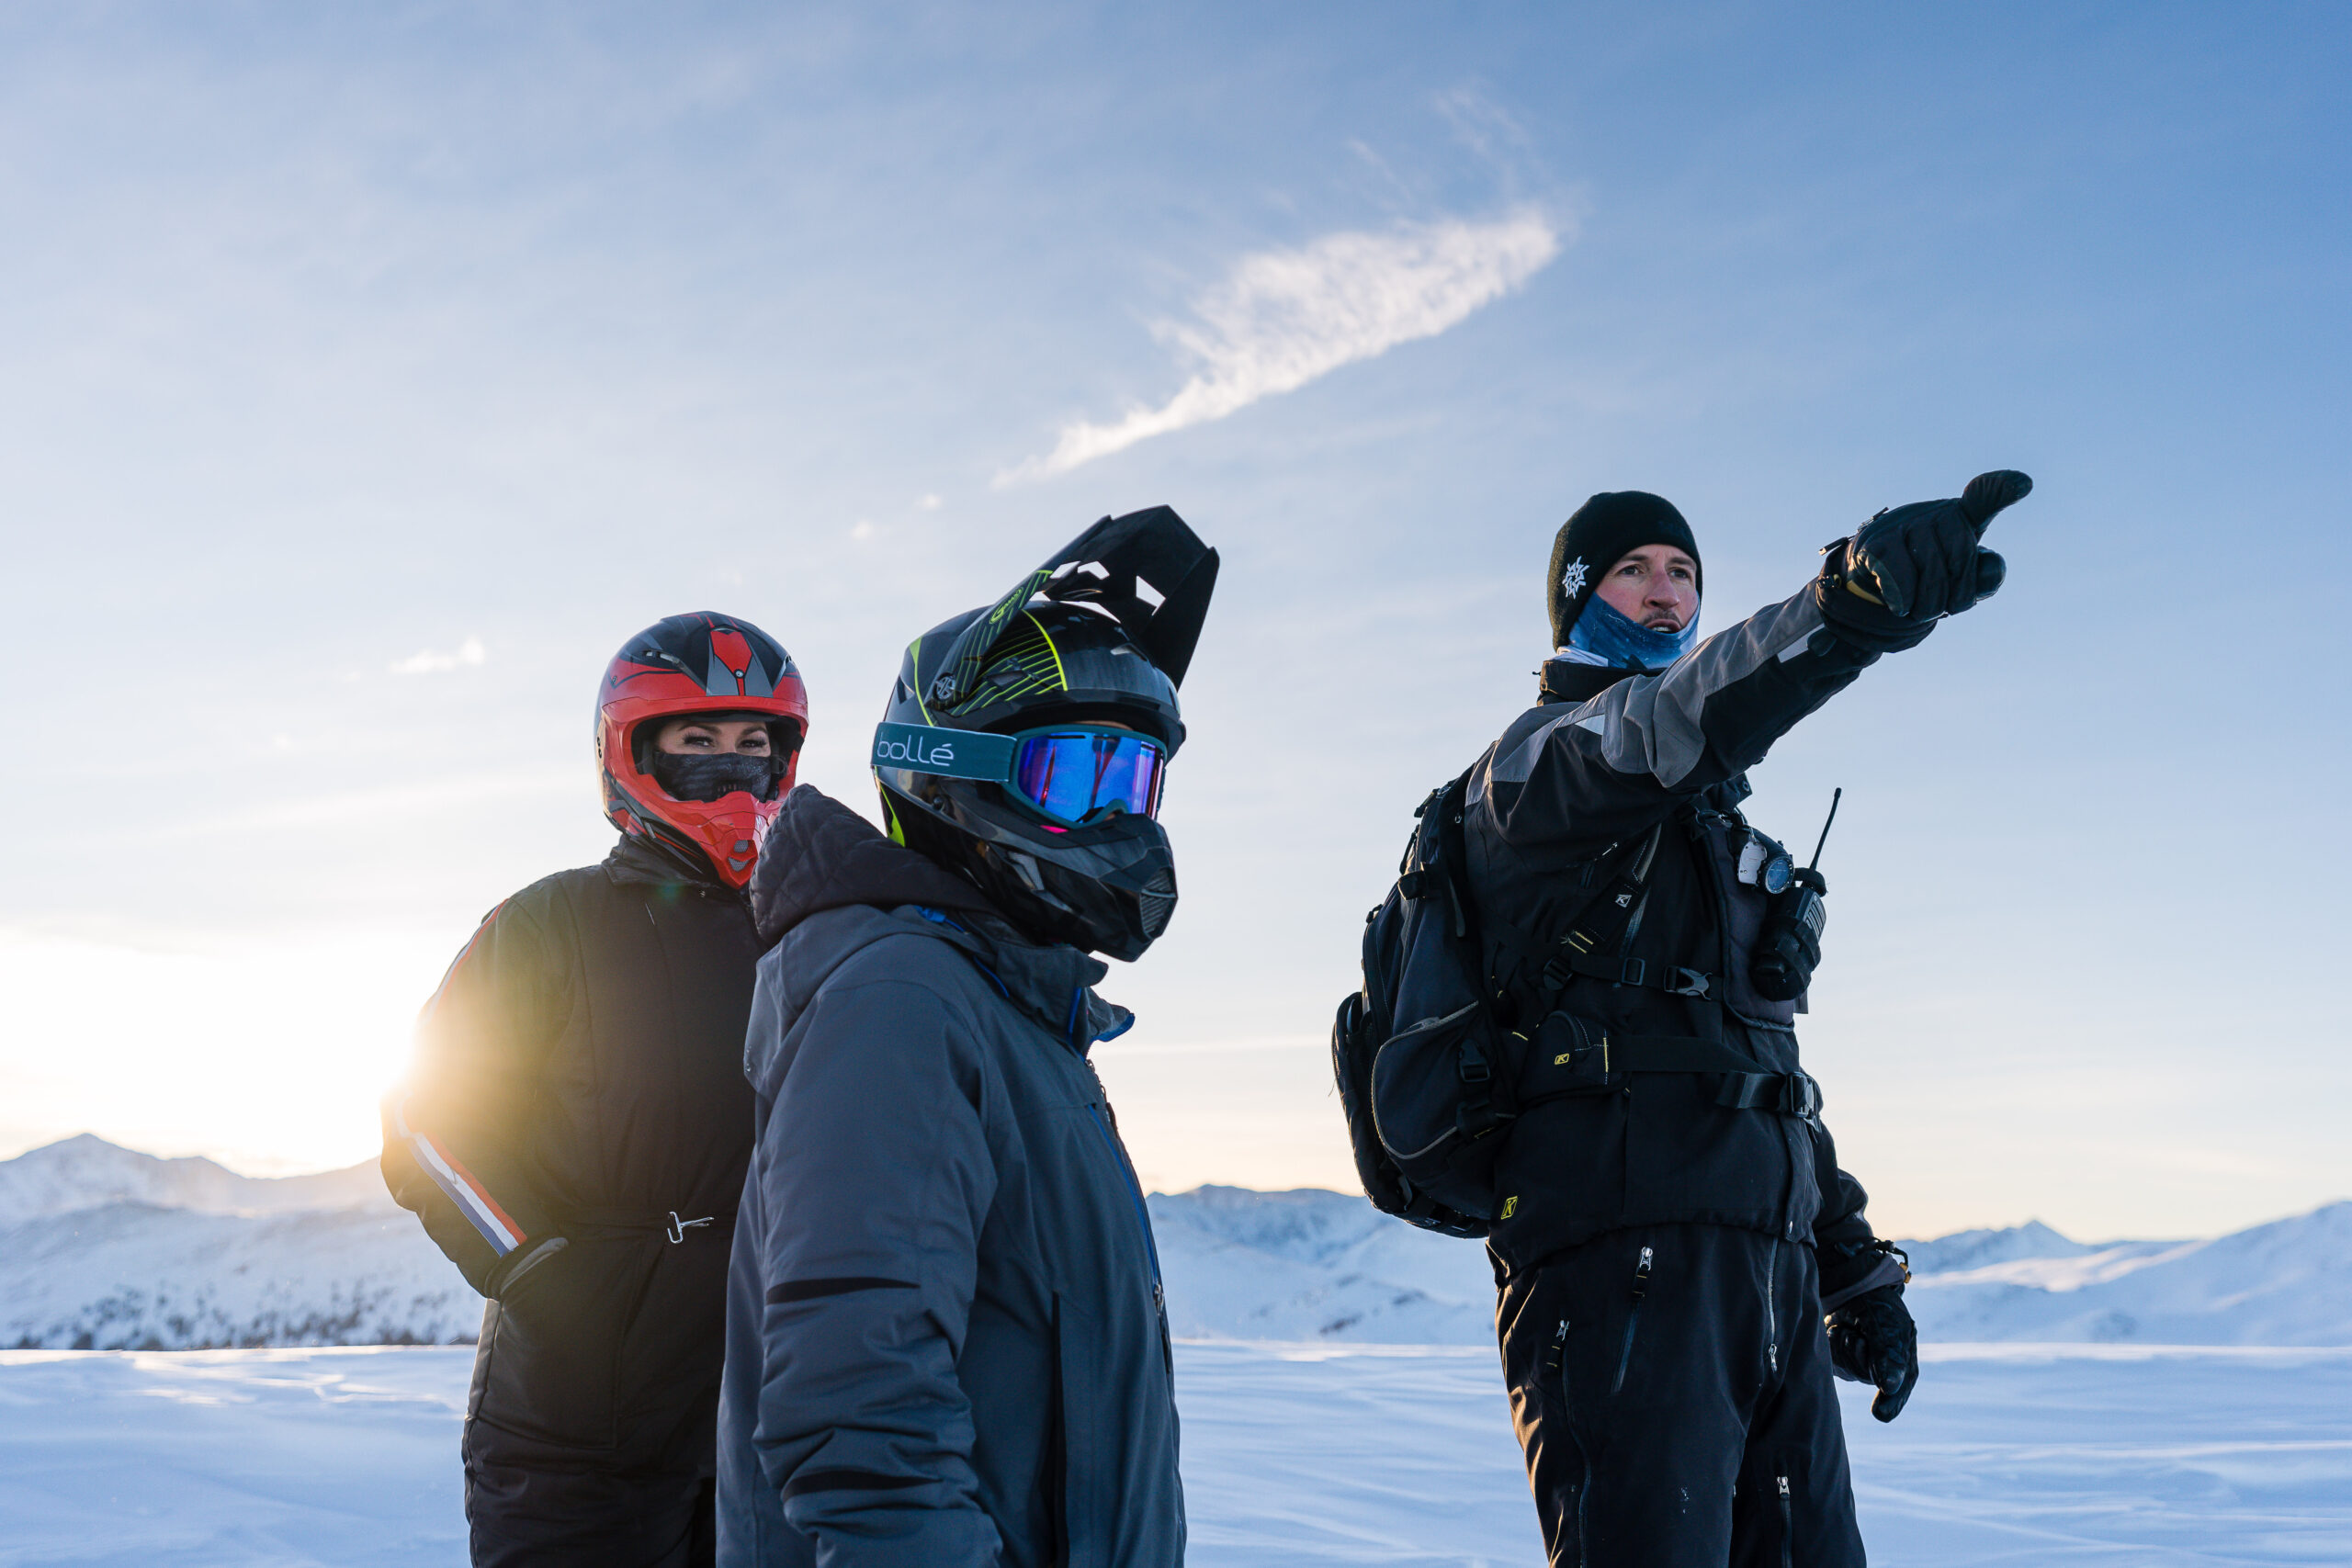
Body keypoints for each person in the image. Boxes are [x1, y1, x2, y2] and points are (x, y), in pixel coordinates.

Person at [1466, 475, 2030, 1566]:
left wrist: (1850, 1273)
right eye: (1632, 569)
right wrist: (1843, 609)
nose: (1665, 593)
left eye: (1682, 573)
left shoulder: (1710, 833)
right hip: (1620, 1271)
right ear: (1575, 598)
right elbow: (1683, 716)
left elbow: (1759, 1075)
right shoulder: (1541, 770)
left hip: (1762, 1279)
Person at [714, 507, 1217, 1568]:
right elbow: (860, 1414)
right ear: (950, 773)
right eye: (1075, 777)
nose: (1119, 816)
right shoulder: (899, 1005)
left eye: (1135, 780)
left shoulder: (1012, 1009)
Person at [381, 612, 808, 1568]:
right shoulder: (550, 922)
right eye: (695, 742)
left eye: (752, 743)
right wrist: (541, 1273)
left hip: (772, 1419)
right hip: (574, 1431)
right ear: (632, 751)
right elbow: (424, 1117)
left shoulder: (815, 934)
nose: (728, 767)